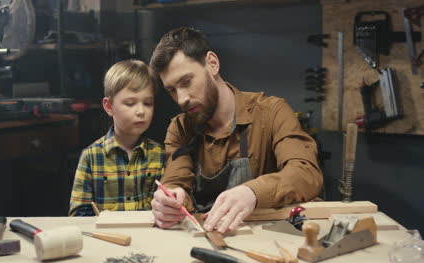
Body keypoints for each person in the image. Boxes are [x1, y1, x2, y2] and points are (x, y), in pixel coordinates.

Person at [149, 27, 323, 233]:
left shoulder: (272, 112)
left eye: (186, 82)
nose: (182, 98)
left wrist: (253, 192)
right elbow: (176, 179)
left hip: (269, 238)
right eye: (172, 90)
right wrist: (170, 199)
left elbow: (306, 173)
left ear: (212, 63)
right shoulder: (181, 128)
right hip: (206, 238)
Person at [69, 60, 166, 216]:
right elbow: (78, 215)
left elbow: (165, 209)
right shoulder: (91, 157)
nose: (141, 111)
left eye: (148, 103)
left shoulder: (160, 154)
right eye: (130, 103)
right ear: (109, 107)